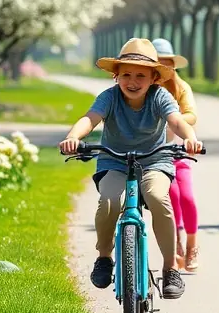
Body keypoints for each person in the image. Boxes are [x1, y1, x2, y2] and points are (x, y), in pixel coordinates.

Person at [59, 37, 200, 299]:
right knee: (110, 200)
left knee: (159, 198)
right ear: (116, 76)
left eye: (140, 76)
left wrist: (189, 137)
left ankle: (170, 267)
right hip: (114, 161)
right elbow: (89, 119)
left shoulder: (160, 96)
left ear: (153, 78)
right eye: (126, 75)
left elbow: (177, 121)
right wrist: (73, 137)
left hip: (154, 161)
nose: (132, 82)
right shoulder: (109, 98)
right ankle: (104, 257)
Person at [151, 37, 200, 273]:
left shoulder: (181, 88)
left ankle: (192, 244)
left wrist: (173, 119)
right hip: (155, 155)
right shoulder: (146, 88)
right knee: (170, 195)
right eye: (158, 63)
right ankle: (177, 242)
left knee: (187, 196)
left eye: (167, 63)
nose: (163, 68)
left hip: (178, 152)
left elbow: (191, 114)